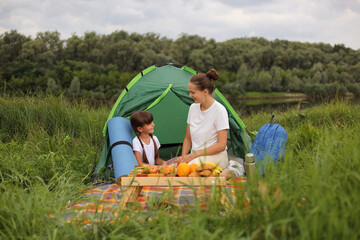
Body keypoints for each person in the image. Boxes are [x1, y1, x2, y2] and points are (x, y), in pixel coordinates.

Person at [176, 69, 229, 169]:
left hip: (216, 156)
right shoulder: (193, 108)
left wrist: (194, 155)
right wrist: (183, 158)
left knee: (190, 169)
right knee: (179, 168)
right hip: (195, 157)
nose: (190, 95)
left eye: (193, 92)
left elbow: (221, 145)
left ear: (205, 92)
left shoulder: (219, 110)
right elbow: (188, 138)